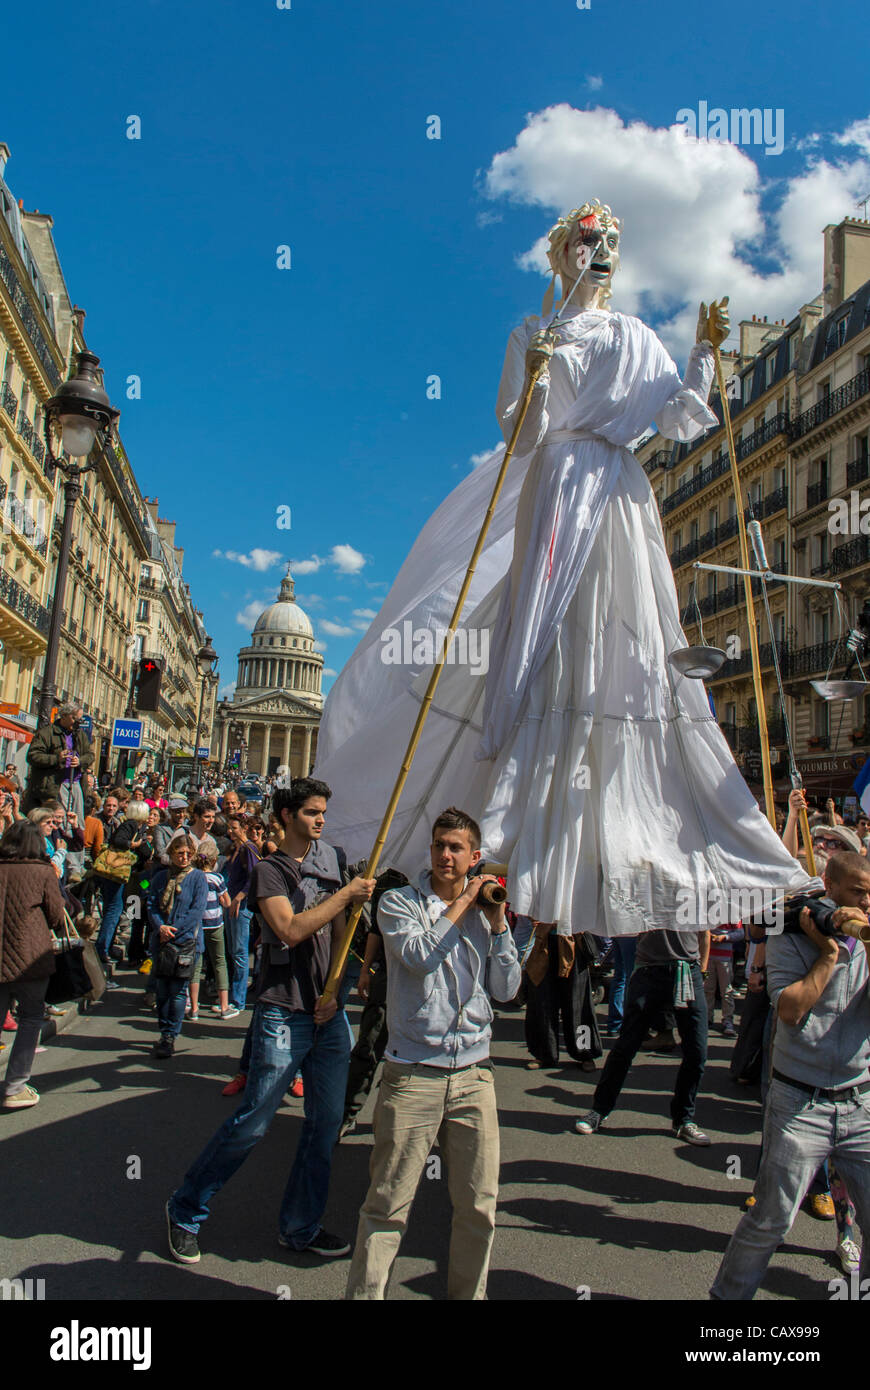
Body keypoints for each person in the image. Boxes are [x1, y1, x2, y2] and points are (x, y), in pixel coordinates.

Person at [314, 200, 815, 946]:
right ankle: (512, 800)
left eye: (613, 239)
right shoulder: (533, 332)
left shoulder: (634, 336)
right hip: (554, 481)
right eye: (590, 240)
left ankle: (615, 818)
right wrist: (542, 385)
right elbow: (517, 429)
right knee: (538, 627)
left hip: (616, 488)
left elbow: (679, 417)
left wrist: (705, 355)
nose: (604, 249)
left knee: (628, 635)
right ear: (563, 254)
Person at [164, 779, 375, 1264]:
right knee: (254, 1122)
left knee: (324, 1126)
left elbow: (340, 935)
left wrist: (337, 989)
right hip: (284, 1007)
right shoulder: (270, 871)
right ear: (285, 816)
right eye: (310, 813)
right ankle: (185, 1208)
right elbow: (289, 930)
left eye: (324, 811)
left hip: (327, 1010)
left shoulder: (331, 861)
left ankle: (300, 1226)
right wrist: (344, 896)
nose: (320, 820)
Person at [345, 807, 521, 1301]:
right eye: (439, 845)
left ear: (475, 856)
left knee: (479, 1207)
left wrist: (500, 922)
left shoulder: (485, 911)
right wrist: (463, 902)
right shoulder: (400, 902)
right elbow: (421, 957)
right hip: (413, 1074)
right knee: (387, 1206)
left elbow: (506, 991)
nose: (446, 855)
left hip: (473, 1075)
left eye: (456, 848)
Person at [712, 851, 870, 1298]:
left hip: (859, 1100)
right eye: (857, 892)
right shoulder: (790, 932)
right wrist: (828, 955)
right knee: (770, 1220)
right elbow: (790, 1011)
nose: (865, 901)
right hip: (801, 1103)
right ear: (830, 887)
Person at [574, 924, 712, 1144]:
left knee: (697, 1051)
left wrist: (701, 971)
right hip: (650, 971)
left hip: (688, 970)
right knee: (625, 1047)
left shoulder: (695, 890)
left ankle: (684, 1120)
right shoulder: (647, 889)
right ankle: (599, 1110)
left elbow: (705, 933)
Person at [0, 820, 66, 1109]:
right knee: (30, 1019)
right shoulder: (42, 872)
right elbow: (56, 914)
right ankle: (15, 1085)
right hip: (29, 956)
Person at [146, 837, 208, 1059]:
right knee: (162, 990)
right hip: (162, 941)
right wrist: (160, 927)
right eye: (179, 853)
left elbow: (197, 910)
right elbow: (151, 903)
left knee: (178, 991)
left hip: (185, 942)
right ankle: (164, 1030)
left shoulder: (198, 878)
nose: (183, 857)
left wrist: (173, 930)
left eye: (188, 853)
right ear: (171, 853)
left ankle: (171, 1034)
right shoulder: (161, 877)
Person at [92, 799, 151, 979]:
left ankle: (113, 948)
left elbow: (146, 853)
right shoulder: (131, 825)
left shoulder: (140, 828)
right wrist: (133, 845)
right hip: (123, 877)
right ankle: (103, 949)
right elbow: (119, 841)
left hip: (138, 880)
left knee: (130, 912)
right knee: (118, 910)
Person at [191, 842, 235, 1020]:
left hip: (197, 924)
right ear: (215, 859)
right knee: (219, 962)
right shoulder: (217, 879)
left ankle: (193, 1007)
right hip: (215, 923)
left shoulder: (193, 877)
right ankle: (224, 1005)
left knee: (196, 964)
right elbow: (226, 902)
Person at [224, 814, 260, 1011]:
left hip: (241, 906)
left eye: (234, 828)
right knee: (232, 950)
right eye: (230, 828)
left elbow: (253, 877)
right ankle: (231, 995)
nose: (231, 831)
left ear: (244, 828)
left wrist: (239, 897)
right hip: (229, 904)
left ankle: (238, 1000)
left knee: (239, 953)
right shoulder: (235, 849)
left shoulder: (249, 849)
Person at [704, 921, 744, 1039]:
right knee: (707, 989)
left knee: (726, 990)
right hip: (708, 956)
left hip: (725, 956)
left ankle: (728, 1020)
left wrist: (725, 937)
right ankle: (707, 1018)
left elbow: (740, 933)